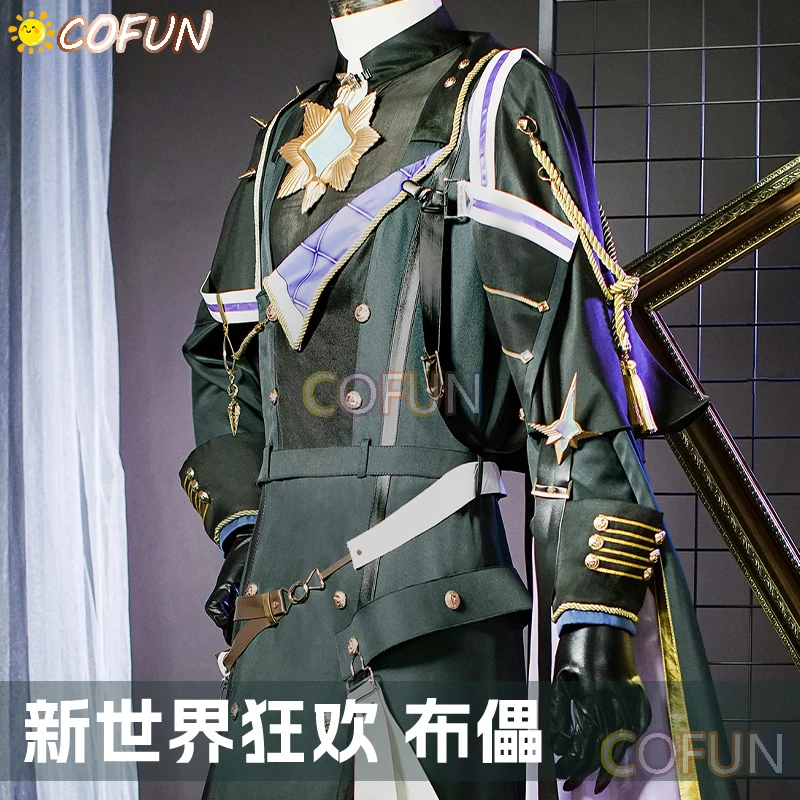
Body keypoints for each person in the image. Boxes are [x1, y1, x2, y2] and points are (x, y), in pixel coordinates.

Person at [180, 0, 738, 797]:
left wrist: (594, 622)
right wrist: (244, 531)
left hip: (428, 618)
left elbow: (568, 367)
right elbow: (224, 358)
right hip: (277, 626)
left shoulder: (496, 94)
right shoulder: (281, 139)